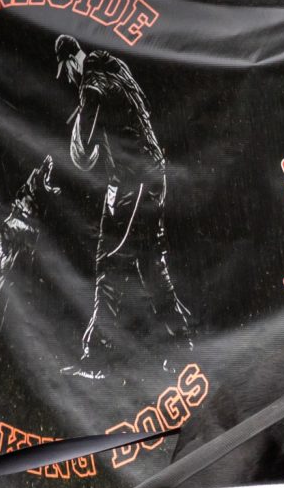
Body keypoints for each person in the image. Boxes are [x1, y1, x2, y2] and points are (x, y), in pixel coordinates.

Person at [55, 34, 191, 380]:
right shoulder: (114, 68)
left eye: (66, 71)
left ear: (72, 61)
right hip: (142, 176)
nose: (68, 79)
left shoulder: (93, 83)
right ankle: (183, 347)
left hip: (135, 181)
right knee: (148, 263)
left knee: (110, 263)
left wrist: (83, 134)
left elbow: (84, 151)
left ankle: (97, 356)